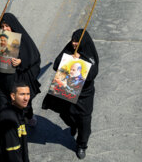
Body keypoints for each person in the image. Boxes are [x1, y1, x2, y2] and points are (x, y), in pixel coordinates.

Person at [42, 29, 99, 160]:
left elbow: (92, 74)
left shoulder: (89, 53)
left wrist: (80, 61)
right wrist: (67, 60)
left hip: (84, 96)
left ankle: (82, 145)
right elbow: (56, 65)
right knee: (68, 115)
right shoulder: (69, 49)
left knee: (84, 121)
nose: (74, 43)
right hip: (67, 92)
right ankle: (73, 125)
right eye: (73, 40)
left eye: (77, 41)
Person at [0, 13, 41, 126]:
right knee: (2, 105)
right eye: (2, 27)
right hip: (0, 79)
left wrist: (20, 61)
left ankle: (28, 117)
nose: (5, 29)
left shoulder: (22, 39)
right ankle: (7, 129)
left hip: (17, 80)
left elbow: (33, 56)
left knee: (20, 104)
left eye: (7, 26)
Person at [0, 83, 31, 162]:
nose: (26, 98)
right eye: (22, 94)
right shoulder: (9, 119)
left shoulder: (19, 111)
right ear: (13, 96)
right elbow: (12, 154)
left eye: (28, 94)